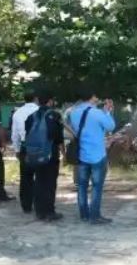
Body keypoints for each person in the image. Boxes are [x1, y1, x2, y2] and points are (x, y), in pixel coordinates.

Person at [69, 87, 116, 224]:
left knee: (82, 186)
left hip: (82, 153)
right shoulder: (97, 113)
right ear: (92, 97)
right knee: (96, 186)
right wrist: (107, 112)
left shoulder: (74, 113)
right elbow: (111, 127)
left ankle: (84, 214)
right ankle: (94, 216)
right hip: (97, 154)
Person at [24, 88, 64, 221]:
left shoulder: (31, 117)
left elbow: (27, 133)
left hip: (34, 153)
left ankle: (39, 211)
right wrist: (62, 151)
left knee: (39, 181)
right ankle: (49, 212)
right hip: (50, 153)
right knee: (50, 183)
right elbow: (58, 137)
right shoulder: (54, 115)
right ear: (50, 101)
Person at [11, 89, 40, 213]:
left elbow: (15, 134)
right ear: (36, 98)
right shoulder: (39, 111)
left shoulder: (17, 113)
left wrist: (17, 149)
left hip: (24, 147)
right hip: (39, 147)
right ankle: (40, 204)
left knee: (26, 177)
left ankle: (26, 205)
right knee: (41, 176)